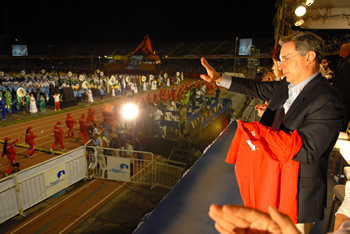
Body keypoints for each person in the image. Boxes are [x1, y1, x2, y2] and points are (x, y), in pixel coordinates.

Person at [200, 31, 346, 233]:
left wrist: (258, 133)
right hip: (266, 184)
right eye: (280, 60)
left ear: (309, 57)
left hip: (293, 196)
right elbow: (258, 88)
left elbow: (309, 150)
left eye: (286, 59)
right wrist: (219, 78)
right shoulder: (287, 85)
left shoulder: (327, 100)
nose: (280, 65)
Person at [333, 43, 350, 131]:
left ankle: (341, 130)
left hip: (346, 95)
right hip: (339, 93)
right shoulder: (342, 60)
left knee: (344, 114)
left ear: (346, 50)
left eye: (341, 49)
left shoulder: (348, 62)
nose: (339, 51)